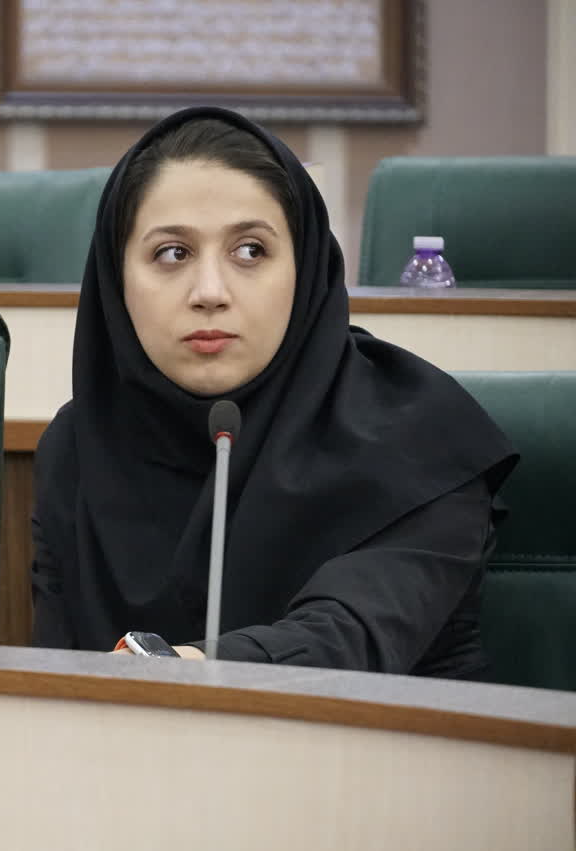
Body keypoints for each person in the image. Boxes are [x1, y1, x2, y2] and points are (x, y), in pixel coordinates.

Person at [30, 107, 517, 678]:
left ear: (305, 266)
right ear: (116, 279)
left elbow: (348, 641)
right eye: (172, 253)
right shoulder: (80, 445)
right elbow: (55, 678)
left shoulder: (422, 436)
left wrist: (184, 671)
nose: (209, 291)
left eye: (250, 251)